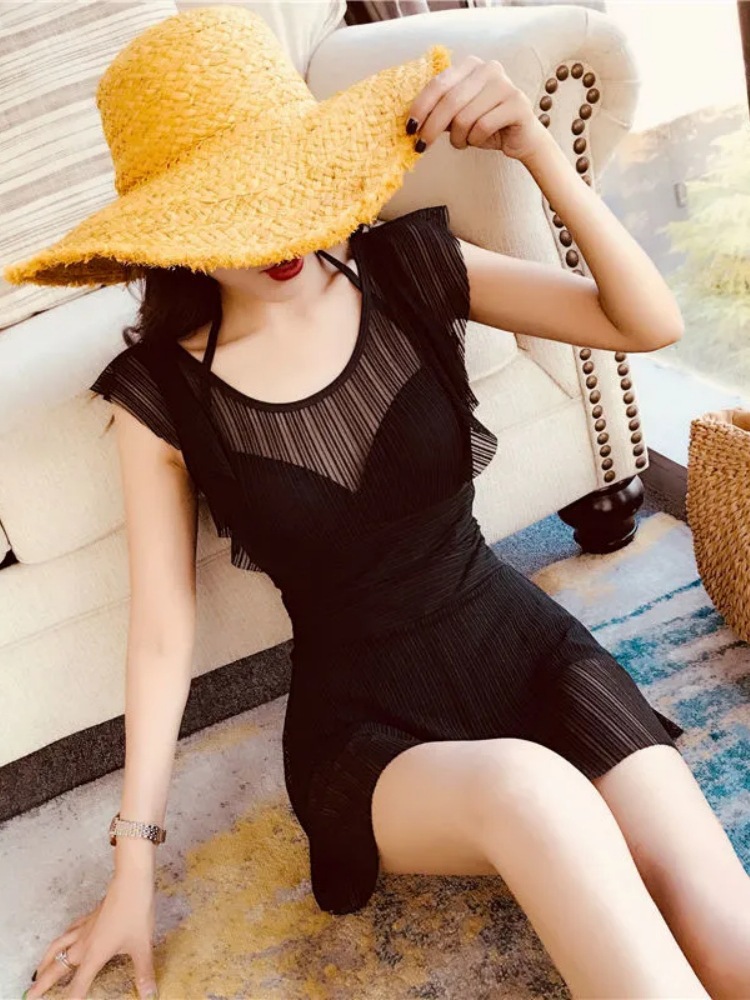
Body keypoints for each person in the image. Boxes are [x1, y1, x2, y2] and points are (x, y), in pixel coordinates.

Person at [7, 8, 749, 1000]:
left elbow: (645, 323)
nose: (278, 233)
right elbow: (160, 633)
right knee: (534, 790)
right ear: (170, 231)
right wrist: (133, 867)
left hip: (526, 650)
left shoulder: (408, 265)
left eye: (287, 183)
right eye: (232, 210)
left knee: (732, 938)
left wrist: (538, 151)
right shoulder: (160, 393)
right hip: (367, 732)